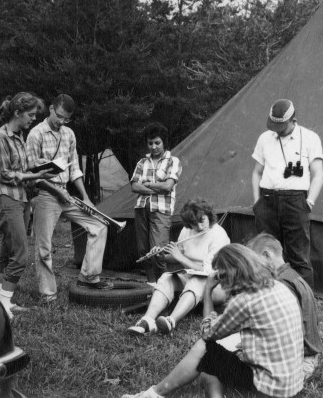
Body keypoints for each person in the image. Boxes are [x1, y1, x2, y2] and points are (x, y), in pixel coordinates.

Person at [122, 244, 304, 398]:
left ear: (233, 272)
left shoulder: (244, 301)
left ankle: (154, 393)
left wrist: (207, 291)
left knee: (205, 351)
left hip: (272, 388)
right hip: (292, 383)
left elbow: (208, 335)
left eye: (222, 276)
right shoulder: (277, 285)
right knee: (211, 367)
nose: (222, 283)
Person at [26, 93, 113, 302]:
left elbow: (74, 168)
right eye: (60, 116)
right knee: (44, 246)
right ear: (51, 108)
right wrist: (57, 191)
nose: (62, 122)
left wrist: (85, 198)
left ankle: (89, 277)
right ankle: (48, 294)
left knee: (99, 225)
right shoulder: (35, 134)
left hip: (66, 192)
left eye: (67, 119)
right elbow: (30, 173)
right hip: (46, 193)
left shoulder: (69, 134)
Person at [0, 92, 55, 319]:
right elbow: (5, 174)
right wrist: (31, 175)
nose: (33, 119)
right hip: (7, 197)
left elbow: (21, 170)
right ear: (17, 113)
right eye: (30, 114)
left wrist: (40, 172)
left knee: (8, 247)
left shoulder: (19, 136)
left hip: (21, 197)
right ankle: (4, 305)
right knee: (21, 253)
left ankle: (2, 300)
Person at [127, 198, 230, 335]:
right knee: (166, 277)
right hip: (192, 278)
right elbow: (176, 257)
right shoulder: (186, 231)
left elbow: (206, 271)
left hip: (217, 286)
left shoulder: (219, 235)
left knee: (197, 280)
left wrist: (180, 257)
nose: (199, 227)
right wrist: (161, 255)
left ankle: (171, 321)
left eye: (202, 220)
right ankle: (148, 319)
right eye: (194, 224)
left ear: (209, 216)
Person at [251, 99, 323, 288]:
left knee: (298, 256)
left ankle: (303, 304)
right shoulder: (264, 138)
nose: (276, 130)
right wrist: (257, 203)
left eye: (281, 126)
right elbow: (256, 172)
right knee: (265, 254)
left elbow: (318, 174)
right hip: (267, 201)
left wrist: (310, 201)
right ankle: (269, 299)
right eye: (274, 125)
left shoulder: (310, 138)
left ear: (294, 120)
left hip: (296, 201)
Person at [246, 232, 322, 380]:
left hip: (298, 362)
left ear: (267, 255)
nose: (253, 268)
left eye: (254, 262)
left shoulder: (280, 285)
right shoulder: (292, 275)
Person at [130, 123, 182, 284]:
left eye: (157, 143)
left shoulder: (172, 161)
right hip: (141, 209)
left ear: (164, 142)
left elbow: (168, 186)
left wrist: (146, 185)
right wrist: (157, 187)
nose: (153, 147)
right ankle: (150, 286)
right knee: (143, 251)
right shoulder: (142, 163)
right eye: (150, 143)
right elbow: (134, 186)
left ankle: (164, 288)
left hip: (161, 209)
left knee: (158, 251)